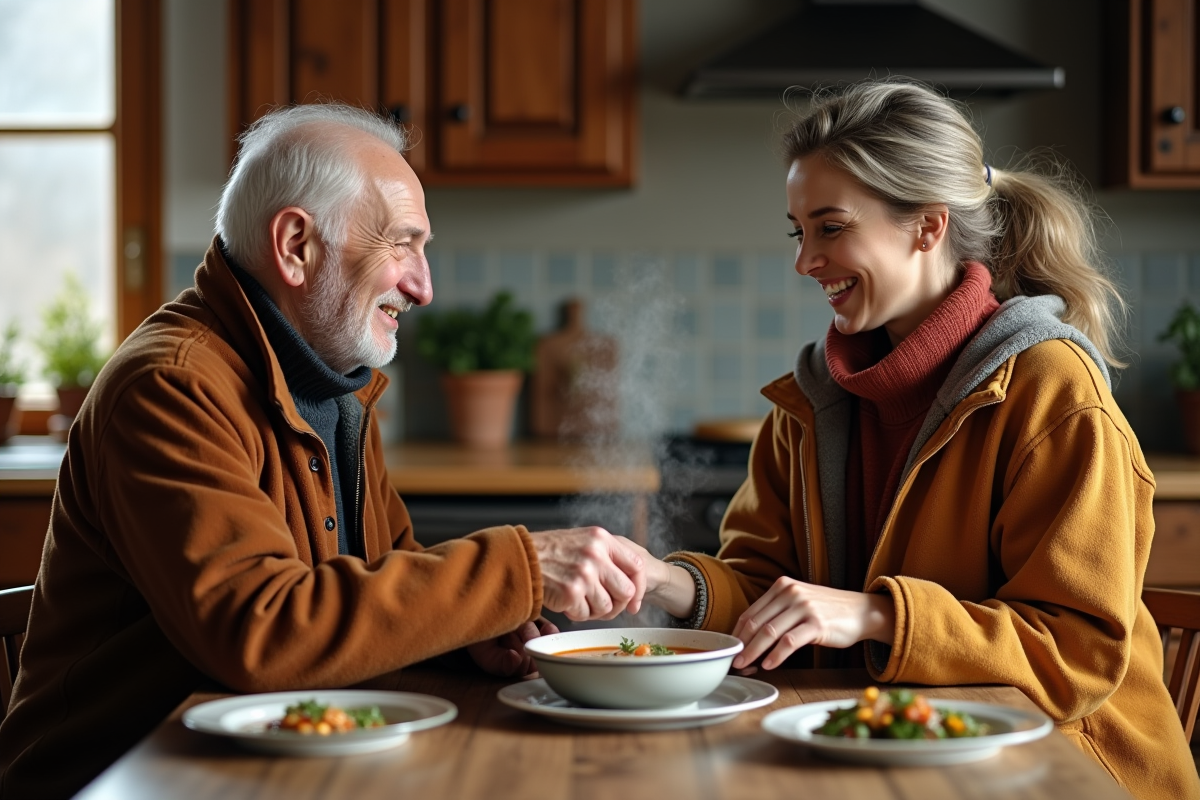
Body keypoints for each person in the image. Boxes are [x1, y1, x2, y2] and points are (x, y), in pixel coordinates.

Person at [0, 104, 651, 799]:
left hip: (258, 769)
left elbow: (383, 576)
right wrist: (519, 568)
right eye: (403, 245)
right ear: (296, 246)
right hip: (118, 779)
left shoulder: (330, 380)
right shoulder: (172, 385)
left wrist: (464, 632)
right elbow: (263, 631)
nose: (424, 286)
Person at [638, 81, 1200, 799]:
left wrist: (874, 614)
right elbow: (767, 591)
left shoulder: (1052, 394)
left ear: (927, 226)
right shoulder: (807, 405)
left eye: (831, 228)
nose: (806, 261)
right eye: (798, 231)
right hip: (894, 758)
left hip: (1068, 775)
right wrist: (666, 581)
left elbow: (1076, 655)